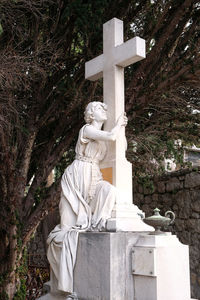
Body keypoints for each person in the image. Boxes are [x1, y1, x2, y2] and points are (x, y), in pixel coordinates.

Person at [47, 101, 127, 299]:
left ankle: (96, 223)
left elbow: (117, 146)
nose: (105, 110)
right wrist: (120, 124)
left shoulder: (99, 137)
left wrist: (120, 131)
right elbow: (110, 136)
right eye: (100, 108)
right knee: (66, 229)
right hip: (75, 178)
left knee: (109, 191)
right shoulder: (87, 129)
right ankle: (62, 283)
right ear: (91, 115)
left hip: (93, 175)